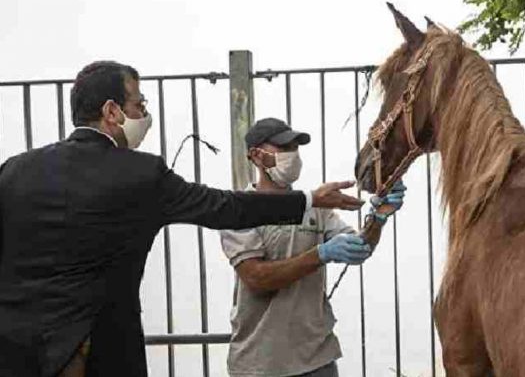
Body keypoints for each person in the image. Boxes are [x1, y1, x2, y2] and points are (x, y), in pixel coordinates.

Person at [0, 62, 365, 377]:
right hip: (102, 352)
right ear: (112, 112)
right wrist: (308, 199)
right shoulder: (140, 174)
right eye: (139, 105)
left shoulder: (14, 171)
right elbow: (225, 207)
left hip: (16, 352)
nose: (144, 115)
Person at [220, 118, 405, 377]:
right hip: (259, 362)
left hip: (316, 359)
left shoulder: (315, 208)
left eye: (295, 148)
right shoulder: (239, 211)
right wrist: (320, 254)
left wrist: (379, 216)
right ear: (256, 156)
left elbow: (360, 248)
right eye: (283, 148)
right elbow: (256, 278)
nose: (292, 155)